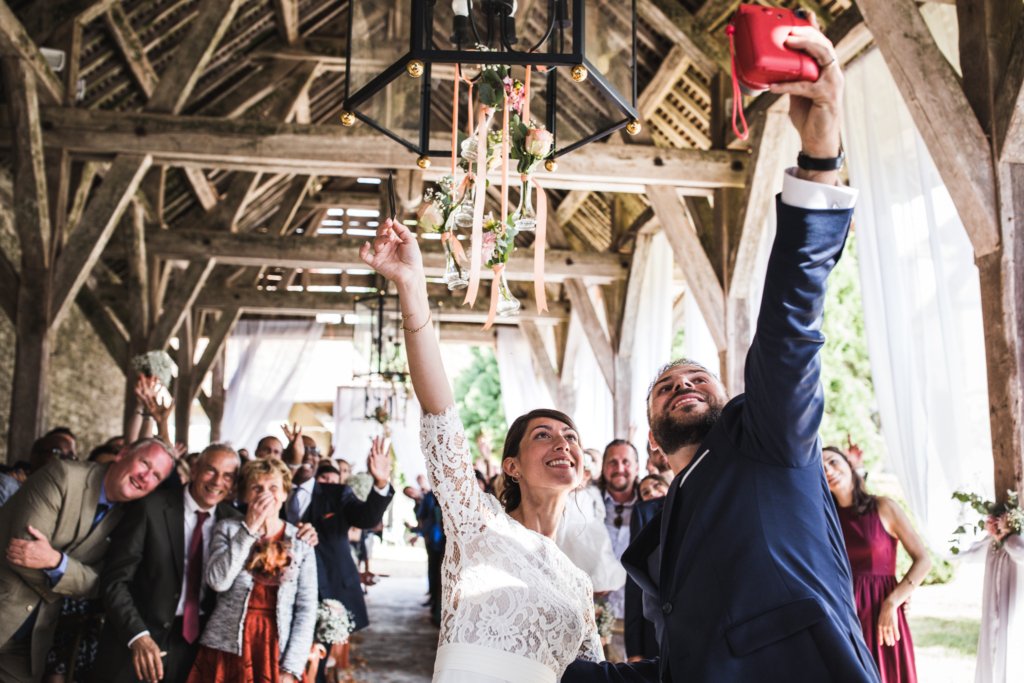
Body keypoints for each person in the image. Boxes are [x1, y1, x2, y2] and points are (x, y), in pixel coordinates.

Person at [563, 21, 880, 683]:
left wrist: (818, 162)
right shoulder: (665, 523)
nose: (683, 381)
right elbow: (690, 666)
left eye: (697, 376)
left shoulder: (765, 437)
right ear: (654, 441)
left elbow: (792, 323)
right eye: (665, 385)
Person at [360, 217, 602, 681]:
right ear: (511, 466)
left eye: (570, 437)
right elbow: (441, 415)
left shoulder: (578, 582)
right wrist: (412, 287)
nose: (562, 443)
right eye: (543, 435)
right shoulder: (478, 523)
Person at [0, 439, 176, 682]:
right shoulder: (63, 475)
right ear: (122, 454)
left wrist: (55, 562)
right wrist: (75, 580)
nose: (146, 476)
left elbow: (103, 583)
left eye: (156, 476)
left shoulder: (129, 516)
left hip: (32, 639)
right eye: (144, 463)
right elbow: (20, 553)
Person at [93, 445, 244, 683]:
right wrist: (137, 636)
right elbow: (114, 580)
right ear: (194, 470)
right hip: (135, 639)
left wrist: (305, 533)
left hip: (196, 647)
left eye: (228, 476)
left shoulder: (236, 524)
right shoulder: (150, 507)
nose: (217, 482)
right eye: (210, 471)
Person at [186, 458, 317, 683]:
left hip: (277, 647)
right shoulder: (227, 529)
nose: (265, 495)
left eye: (273, 488)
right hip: (226, 647)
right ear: (246, 495)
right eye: (257, 488)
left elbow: (307, 607)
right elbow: (217, 582)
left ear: (285, 493)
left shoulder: (301, 540)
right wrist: (249, 529)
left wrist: (292, 666)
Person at [823, 446, 930, 682]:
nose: (828, 470)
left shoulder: (884, 507)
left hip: (882, 613)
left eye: (832, 461)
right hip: (844, 615)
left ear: (850, 465)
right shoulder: (825, 521)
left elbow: (923, 560)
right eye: (821, 468)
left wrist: (894, 601)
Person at [282, 435, 394, 639]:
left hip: (330, 587)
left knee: (320, 662)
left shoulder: (337, 493)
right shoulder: (274, 492)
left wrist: (380, 483)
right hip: (283, 590)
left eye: (313, 450)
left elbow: (366, 518)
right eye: (301, 449)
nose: (308, 455)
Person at [598, 439, 641, 662]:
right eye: (612, 462)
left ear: (636, 467)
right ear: (604, 468)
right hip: (597, 611)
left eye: (626, 462)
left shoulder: (651, 503)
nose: (619, 468)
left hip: (637, 616)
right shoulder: (588, 503)